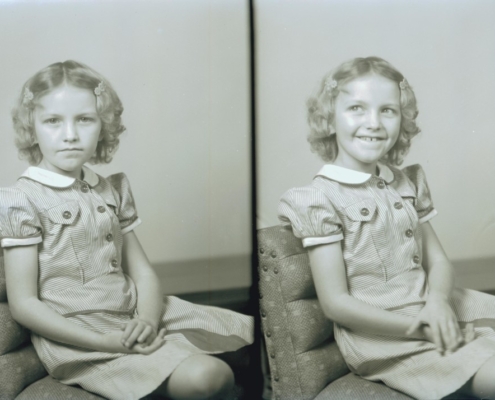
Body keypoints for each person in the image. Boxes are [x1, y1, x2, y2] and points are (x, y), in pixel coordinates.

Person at [0, 60, 253, 400]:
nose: (70, 134)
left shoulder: (110, 188)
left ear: (103, 125)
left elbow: (143, 274)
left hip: (138, 312)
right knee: (210, 376)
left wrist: (147, 320)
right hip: (84, 337)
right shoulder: (20, 200)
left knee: (252, 335)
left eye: (85, 119)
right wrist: (105, 342)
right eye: (53, 121)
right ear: (31, 127)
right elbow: (24, 304)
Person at [278, 56, 495, 400]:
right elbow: (335, 303)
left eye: (388, 111)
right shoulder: (318, 199)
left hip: (436, 306)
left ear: (402, 119)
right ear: (329, 118)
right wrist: (420, 329)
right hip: (388, 337)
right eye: (357, 108)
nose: (374, 123)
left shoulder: (405, 182)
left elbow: (438, 261)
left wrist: (438, 302)